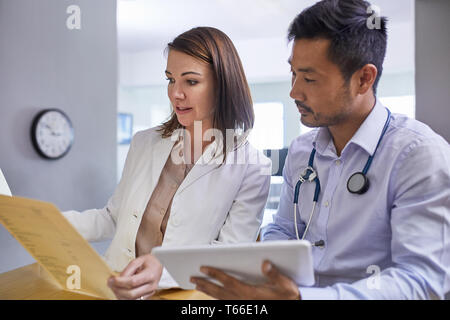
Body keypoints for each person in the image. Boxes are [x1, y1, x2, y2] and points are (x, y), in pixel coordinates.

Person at [191, 0, 450, 299]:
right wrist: (262, 275)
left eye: (310, 79)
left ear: (364, 79)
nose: (294, 91)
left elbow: (422, 281)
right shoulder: (303, 151)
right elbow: (283, 230)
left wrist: (304, 298)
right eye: (294, 73)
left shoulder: (419, 156)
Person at [63, 27, 271, 300]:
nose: (176, 93)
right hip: (115, 287)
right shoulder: (144, 143)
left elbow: (228, 257)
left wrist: (163, 271)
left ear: (223, 85)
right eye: (170, 80)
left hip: (181, 295)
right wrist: (46, 223)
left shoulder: (251, 166)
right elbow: (113, 217)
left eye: (191, 82)